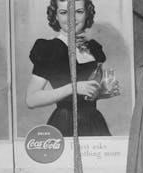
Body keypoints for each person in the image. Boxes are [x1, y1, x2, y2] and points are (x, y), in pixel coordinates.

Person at [25, 0, 113, 137]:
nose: (72, 18)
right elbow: (31, 99)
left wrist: (101, 92)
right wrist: (74, 87)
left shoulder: (93, 48)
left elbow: (87, 92)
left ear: (87, 14)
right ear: (55, 16)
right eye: (64, 12)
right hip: (66, 123)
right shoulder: (49, 49)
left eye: (78, 12)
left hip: (94, 122)